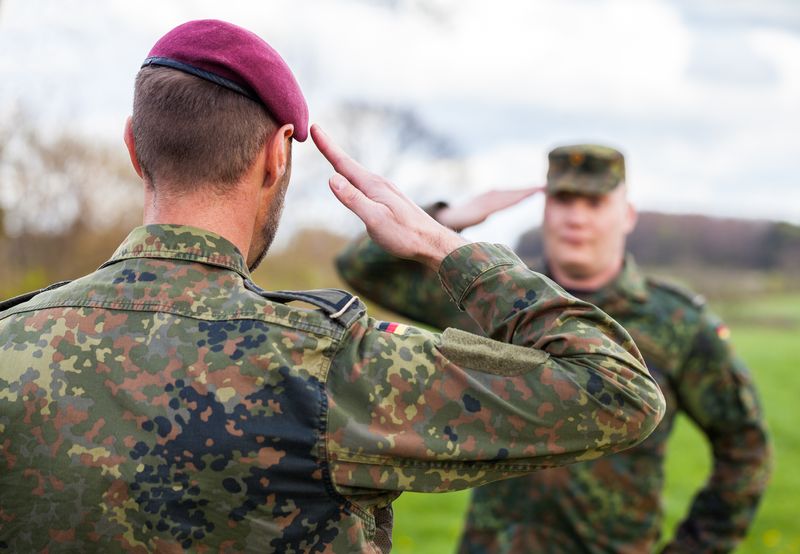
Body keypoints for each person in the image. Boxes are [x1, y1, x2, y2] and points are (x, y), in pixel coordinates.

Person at [0, 21, 665, 553]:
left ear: (133, 146)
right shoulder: (325, 367)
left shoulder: (11, 342)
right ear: (276, 156)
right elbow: (618, 390)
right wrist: (446, 246)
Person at [336, 144, 772, 553]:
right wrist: (449, 219)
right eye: (563, 200)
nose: (576, 217)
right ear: (545, 210)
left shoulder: (675, 321)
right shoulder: (497, 298)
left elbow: (745, 446)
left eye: (594, 202)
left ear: (627, 215)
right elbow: (361, 266)